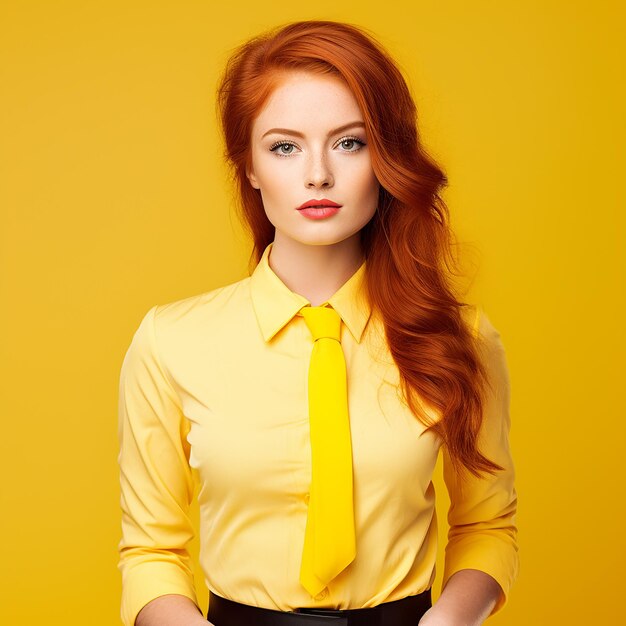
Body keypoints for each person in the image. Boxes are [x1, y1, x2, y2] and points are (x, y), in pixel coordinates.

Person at [116, 19, 519, 626]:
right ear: (248, 167)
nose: (318, 175)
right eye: (284, 146)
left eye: (350, 142)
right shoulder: (171, 342)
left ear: (386, 158)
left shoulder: (459, 338)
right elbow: (150, 550)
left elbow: (488, 524)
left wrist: (445, 623)